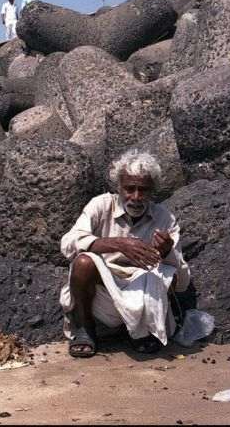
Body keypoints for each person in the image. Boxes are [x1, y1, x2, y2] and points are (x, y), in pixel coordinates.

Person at [59, 149, 190, 358]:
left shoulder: (163, 218)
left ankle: (142, 330)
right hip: (102, 288)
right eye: (130, 189)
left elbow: (182, 281)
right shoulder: (101, 205)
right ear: (119, 187)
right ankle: (85, 328)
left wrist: (167, 251)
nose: (136, 197)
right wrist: (117, 244)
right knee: (83, 263)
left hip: (141, 288)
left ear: (152, 191)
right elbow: (68, 243)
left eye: (143, 190)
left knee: (168, 274)